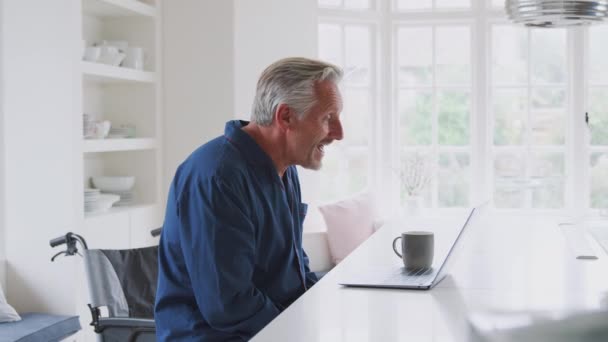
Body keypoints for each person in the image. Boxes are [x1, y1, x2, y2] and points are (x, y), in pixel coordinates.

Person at [155, 57, 344, 341]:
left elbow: (292, 269)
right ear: (285, 117)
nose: (338, 133)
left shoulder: (285, 168)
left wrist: (327, 305)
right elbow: (228, 305)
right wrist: (298, 332)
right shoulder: (218, 177)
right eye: (328, 118)